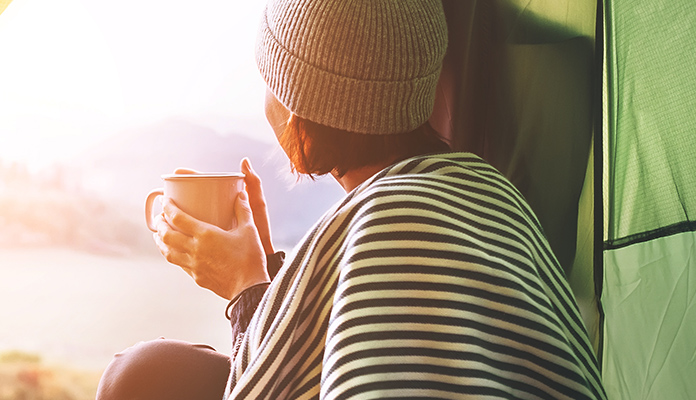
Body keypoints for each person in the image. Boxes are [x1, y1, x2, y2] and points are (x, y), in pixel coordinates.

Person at [96, 0, 607, 398]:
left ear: (302, 112)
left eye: (270, 82)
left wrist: (244, 289)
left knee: (136, 379)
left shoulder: (386, 224)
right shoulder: (487, 190)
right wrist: (274, 278)